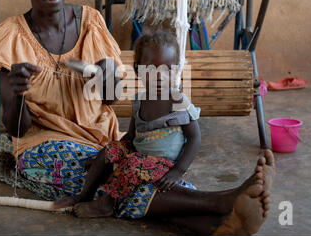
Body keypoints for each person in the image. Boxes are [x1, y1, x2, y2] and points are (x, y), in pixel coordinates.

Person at [0, 0, 276, 235]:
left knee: (137, 170)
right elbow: (17, 128)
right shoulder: (10, 37)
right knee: (105, 180)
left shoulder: (90, 22)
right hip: (45, 144)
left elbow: (108, 99)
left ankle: (218, 227)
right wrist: (18, 93)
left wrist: (107, 76)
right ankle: (220, 203)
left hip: (100, 138)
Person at [54, 30, 201, 217]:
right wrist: (107, 158)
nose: (160, 76)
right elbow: (131, 137)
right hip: (140, 156)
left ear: (177, 69)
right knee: (110, 150)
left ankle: (106, 204)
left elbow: (195, 138)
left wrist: (178, 170)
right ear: (138, 69)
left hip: (166, 165)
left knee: (133, 163)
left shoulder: (178, 102)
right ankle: (84, 194)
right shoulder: (140, 100)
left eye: (168, 69)